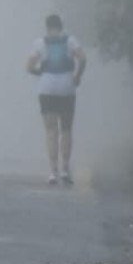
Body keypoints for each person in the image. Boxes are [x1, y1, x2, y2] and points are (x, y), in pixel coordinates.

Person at [26, 13, 86, 186]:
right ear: (61, 26)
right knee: (66, 129)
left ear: (47, 27)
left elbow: (28, 66)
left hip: (47, 88)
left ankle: (53, 171)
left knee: (51, 131)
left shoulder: (40, 43)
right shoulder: (70, 41)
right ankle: (65, 169)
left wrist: (41, 72)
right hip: (66, 88)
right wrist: (77, 76)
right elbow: (83, 58)